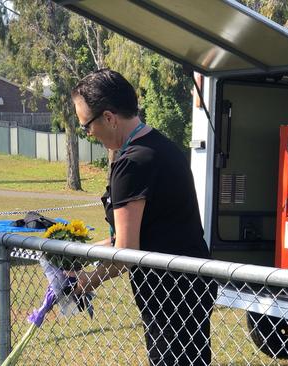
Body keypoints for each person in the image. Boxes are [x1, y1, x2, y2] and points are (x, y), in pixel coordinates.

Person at [70, 69, 217, 366]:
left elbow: (127, 252)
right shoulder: (162, 147)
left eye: (86, 125)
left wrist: (89, 280)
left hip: (168, 296)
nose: (88, 133)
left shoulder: (132, 163)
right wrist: (78, 253)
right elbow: (140, 232)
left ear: (109, 118)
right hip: (191, 287)